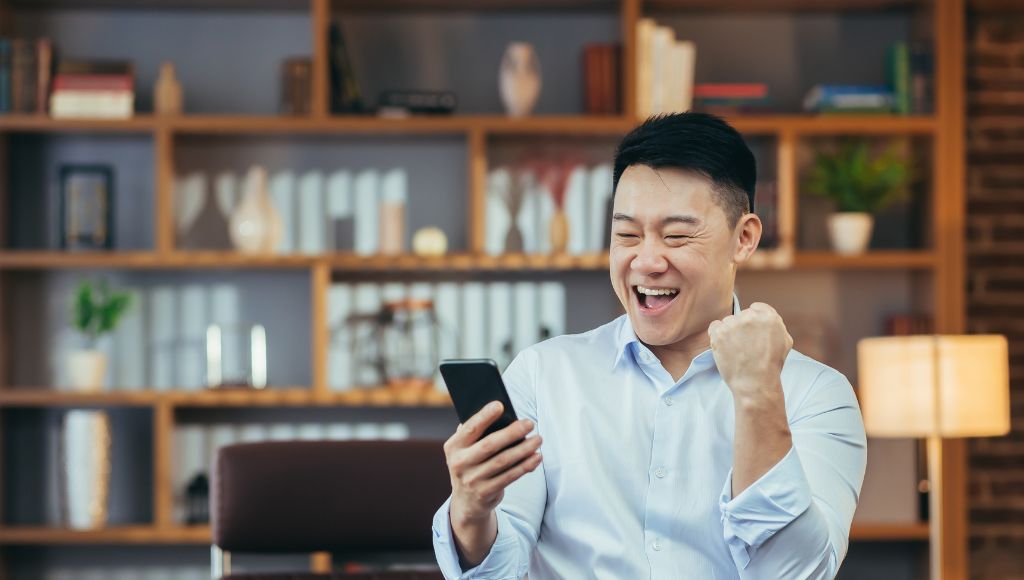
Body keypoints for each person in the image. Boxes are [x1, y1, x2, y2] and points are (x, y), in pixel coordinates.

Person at [431, 112, 867, 579]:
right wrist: (472, 510)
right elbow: (499, 571)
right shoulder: (543, 374)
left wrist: (758, 396)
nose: (647, 260)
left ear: (744, 238)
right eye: (627, 235)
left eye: (677, 236)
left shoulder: (816, 395)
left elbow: (798, 573)